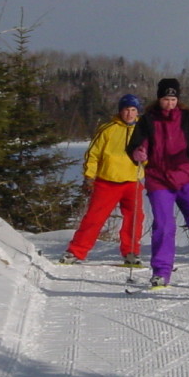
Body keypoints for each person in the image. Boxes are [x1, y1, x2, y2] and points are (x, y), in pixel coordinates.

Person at [127, 78, 189, 288]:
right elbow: (135, 145)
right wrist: (138, 152)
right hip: (158, 178)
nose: (170, 103)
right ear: (159, 98)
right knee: (164, 226)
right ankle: (161, 272)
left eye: (173, 99)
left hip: (184, 175)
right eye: (166, 99)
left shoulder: (186, 117)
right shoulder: (148, 120)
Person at [60, 94, 146, 267]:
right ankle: (75, 251)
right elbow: (93, 155)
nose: (129, 114)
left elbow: (152, 156)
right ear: (120, 111)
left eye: (133, 110)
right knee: (94, 218)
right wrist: (89, 177)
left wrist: (145, 158)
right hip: (107, 181)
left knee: (135, 219)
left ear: (137, 112)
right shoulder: (108, 129)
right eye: (126, 110)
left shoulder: (144, 130)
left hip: (132, 181)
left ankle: (131, 252)